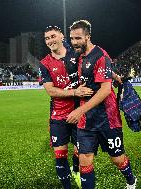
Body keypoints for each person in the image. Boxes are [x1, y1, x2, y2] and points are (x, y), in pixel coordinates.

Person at [67, 20, 137, 189]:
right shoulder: (79, 54)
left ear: (88, 37)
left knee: (117, 158)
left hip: (107, 118)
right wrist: (114, 75)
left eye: (78, 38)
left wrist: (79, 110)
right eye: (72, 38)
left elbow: (105, 90)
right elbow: (97, 71)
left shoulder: (100, 55)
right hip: (86, 120)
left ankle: (131, 181)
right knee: (85, 159)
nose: (74, 42)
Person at [39, 25, 94, 189]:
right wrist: (74, 92)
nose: (50, 40)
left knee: (81, 152)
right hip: (58, 116)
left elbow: (95, 64)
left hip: (79, 113)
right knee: (60, 157)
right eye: (47, 38)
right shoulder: (44, 63)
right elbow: (50, 90)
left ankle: (76, 170)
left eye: (53, 36)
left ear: (62, 36)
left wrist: (114, 77)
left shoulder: (76, 53)